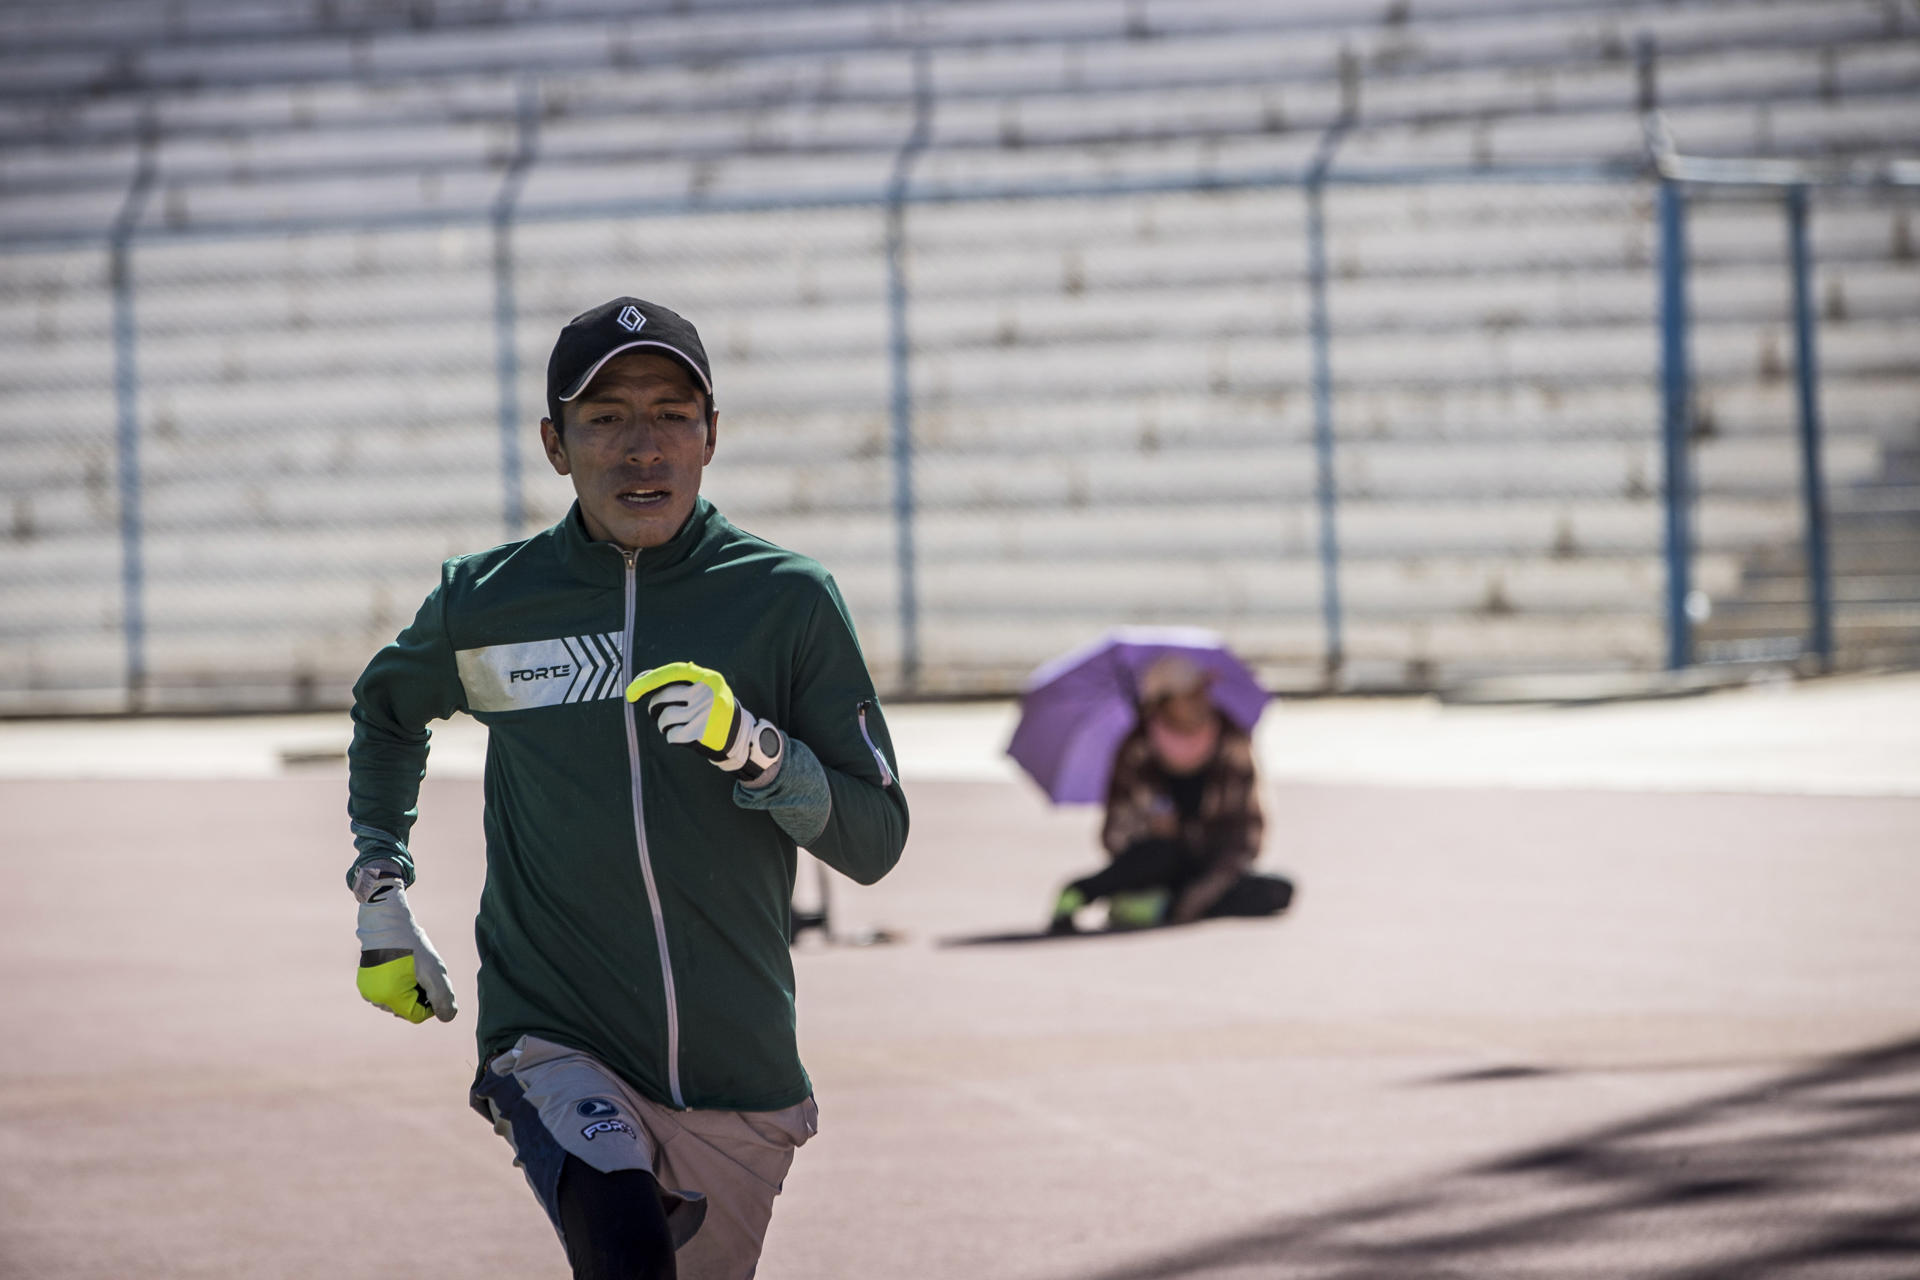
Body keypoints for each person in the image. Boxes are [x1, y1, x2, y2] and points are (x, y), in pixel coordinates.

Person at [345, 296, 909, 1280]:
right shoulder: (486, 600)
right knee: (625, 1245)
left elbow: (875, 839)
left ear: (712, 436)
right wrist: (380, 889)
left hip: (743, 1071)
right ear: (555, 444)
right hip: (552, 1031)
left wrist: (761, 751)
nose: (641, 446)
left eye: (670, 414)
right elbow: (388, 709)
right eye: (604, 417)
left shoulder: (787, 598)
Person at [1049, 656, 1292, 933]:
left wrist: (1208, 885)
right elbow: (1114, 833)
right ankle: (1079, 892)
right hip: (1157, 861)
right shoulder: (1136, 750)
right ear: (1163, 703)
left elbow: (1248, 829)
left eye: (1203, 692)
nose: (1201, 702)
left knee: (1275, 890)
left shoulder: (1231, 743)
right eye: (1189, 696)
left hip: (1211, 860)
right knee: (1156, 856)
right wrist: (1149, 827)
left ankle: (1158, 907)